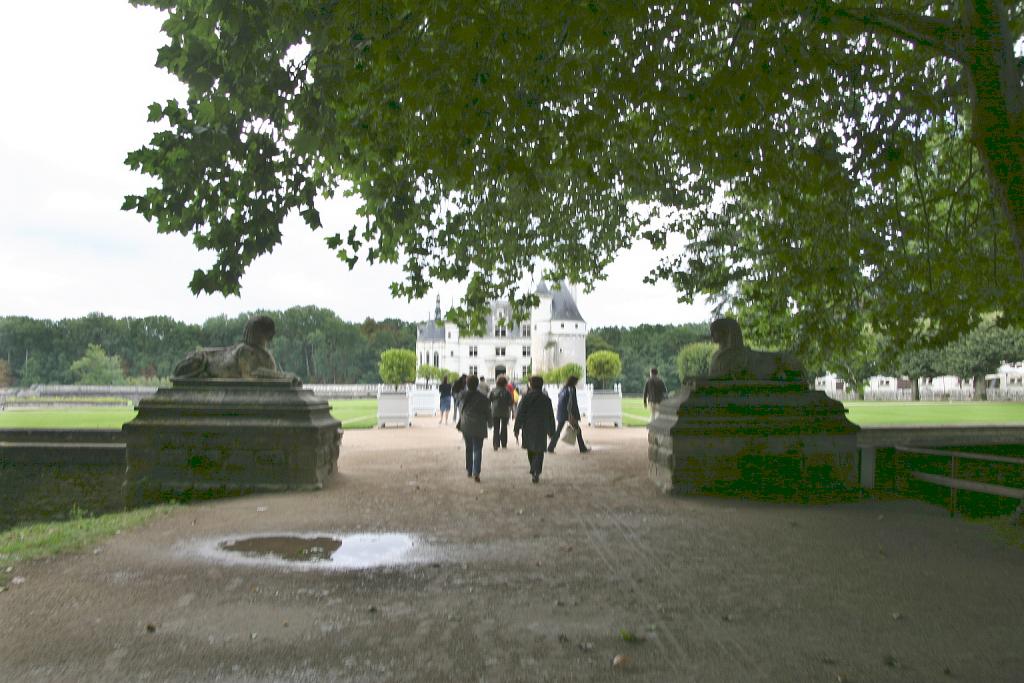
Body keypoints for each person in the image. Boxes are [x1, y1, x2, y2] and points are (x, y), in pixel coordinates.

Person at [514, 375, 557, 483]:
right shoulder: (546, 399)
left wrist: (517, 428)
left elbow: (520, 414)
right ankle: (536, 470)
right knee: (540, 450)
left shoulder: (525, 398)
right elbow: (550, 416)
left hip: (528, 427)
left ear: (531, 385)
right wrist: (551, 431)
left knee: (530, 449)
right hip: (541, 427)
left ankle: (534, 469)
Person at [458, 375, 491, 482]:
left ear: (467, 384)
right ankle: (476, 472)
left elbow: (455, 393)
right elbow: (488, 412)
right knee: (477, 449)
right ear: (477, 384)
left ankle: (469, 469)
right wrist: (490, 423)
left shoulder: (462, 396)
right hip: (479, 425)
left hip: (466, 425)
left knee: (469, 448)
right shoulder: (483, 398)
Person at [547, 375, 590, 453]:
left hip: (562, 412)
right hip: (569, 412)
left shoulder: (563, 389)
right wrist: (570, 414)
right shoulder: (571, 389)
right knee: (577, 430)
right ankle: (582, 447)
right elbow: (570, 403)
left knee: (559, 430)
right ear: (573, 382)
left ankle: (551, 447)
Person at [488, 375, 514, 450]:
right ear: (505, 383)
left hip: (495, 411)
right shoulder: (507, 392)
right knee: (504, 427)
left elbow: (489, 399)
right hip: (505, 411)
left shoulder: (493, 390)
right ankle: (504, 443)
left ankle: (495, 444)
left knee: (496, 428)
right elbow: (511, 402)